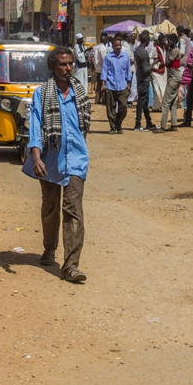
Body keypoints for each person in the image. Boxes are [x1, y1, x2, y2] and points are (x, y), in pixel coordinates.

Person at [24, 46, 90, 283]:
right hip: (50, 161)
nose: (68, 68)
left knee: (73, 212)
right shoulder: (42, 94)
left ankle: (71, 265)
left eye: (70, 63)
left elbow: (84, 127)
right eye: (62, 64)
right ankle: (49, 249)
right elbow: (35, 125)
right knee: (51, 208)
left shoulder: (80, 94)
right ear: (53, 67)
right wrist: (36, 156)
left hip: (76, 160)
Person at [100, 34, 131, 133]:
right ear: (113, 46)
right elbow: (104, 71)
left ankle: (118, 123)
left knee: (123, 107)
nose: (118, 47)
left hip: (122, 86)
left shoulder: (125, 57)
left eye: (119, 46)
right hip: (110, 85)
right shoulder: (108, 57)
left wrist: (129, 85)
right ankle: (113, 128)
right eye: (116, 45)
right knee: (110, 108)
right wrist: (103, 84)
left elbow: (128, 72)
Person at [132, 31, 154, 131]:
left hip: (140, 78)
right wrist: (154, 63)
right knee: (141, 101)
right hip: (144, 79)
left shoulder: (137, 50)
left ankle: (148, 122)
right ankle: (137, 123)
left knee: (144, 102)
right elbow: (145, 69)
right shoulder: (144, 53)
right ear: (146, 40)